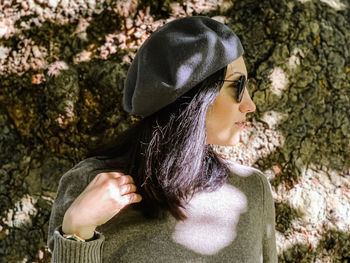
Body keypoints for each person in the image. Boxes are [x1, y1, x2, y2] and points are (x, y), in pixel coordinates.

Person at [47, 16, 277, 262]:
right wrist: (77, 229)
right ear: (195, 97)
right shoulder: (91, 185)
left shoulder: (253, 189)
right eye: (238, 87)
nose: (250, 105)